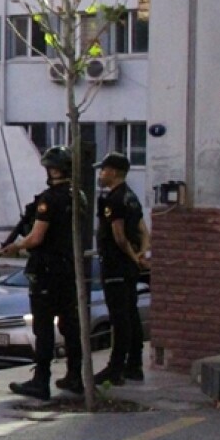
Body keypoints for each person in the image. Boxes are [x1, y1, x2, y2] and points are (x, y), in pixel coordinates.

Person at [0, 145, 84, 400]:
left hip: (47, 270)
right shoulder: (78, 195)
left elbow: (36, 237)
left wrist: (16, 246)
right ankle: (75, 376)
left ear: (54, 170)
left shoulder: (49, 199)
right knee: (70, 325)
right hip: (69, 268)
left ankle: (41, 381)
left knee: (44, 328)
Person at [93, 152, 146, 385]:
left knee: (119, 318)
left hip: (116, 265)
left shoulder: (114, 199)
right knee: (131, 314)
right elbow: (144, 231)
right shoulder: (131, 197)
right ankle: (134, 365)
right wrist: (141, 253)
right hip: (129, 267)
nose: (101, 174)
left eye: (103, 170)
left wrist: (134, 257)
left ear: (113, 172)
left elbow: (119, 237)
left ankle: (115, 369)